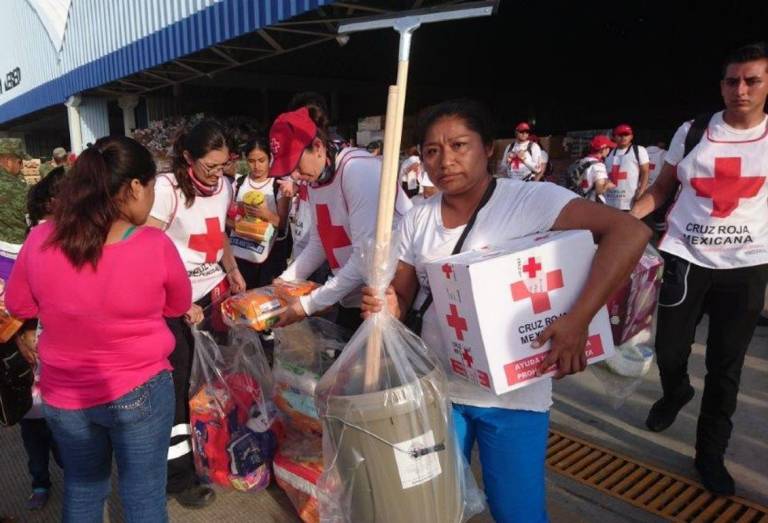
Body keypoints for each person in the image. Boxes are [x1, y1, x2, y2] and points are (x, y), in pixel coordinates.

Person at [361, 99, 649, 522]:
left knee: (518, 513)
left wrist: (577, 321)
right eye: (431, 151)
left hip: (515, 397)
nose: (446, 160)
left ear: (488, 149)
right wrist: (385, 304)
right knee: (431, 509)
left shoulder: (532, 201)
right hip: (436, 392)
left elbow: (629, 231)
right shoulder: (417, 220)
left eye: (459, 145)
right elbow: (402, 299)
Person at [6, 136, 191, 523]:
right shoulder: (154, 245)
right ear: (135, 186)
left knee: (83, 490)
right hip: (139, 389)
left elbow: (20, 306)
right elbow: (176, 305)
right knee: (143, 499)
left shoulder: (40, 238)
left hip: (64, 396)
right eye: (153, 187)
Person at [630, 43, 768, 496]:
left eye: (752, 80)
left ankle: (709, 454)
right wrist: (624, 222)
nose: (741, 90)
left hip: (746, 269)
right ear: (722, 86)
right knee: (670, 351)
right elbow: (663, 188)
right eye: (732, 81)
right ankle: (675, 393)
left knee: (724, 369)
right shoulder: (693, 133)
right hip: (686, 257)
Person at [146, 119, 246, 508]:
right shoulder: (166, 190)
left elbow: (217, 231)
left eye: (223, 166)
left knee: (212, 382)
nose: (217, 174)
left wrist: (232, 267)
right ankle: (179, 474)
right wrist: (176, 299)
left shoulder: (224, 186)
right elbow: (148, 249)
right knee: (180, 385)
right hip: (173, 305)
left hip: (210, 297)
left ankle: (213, 452)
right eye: (210, 166)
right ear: (188, 158)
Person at [269, 106, 412, 331]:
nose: (295, 176)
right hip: (351, 296)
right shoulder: (315, 179)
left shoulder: (358, 170)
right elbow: (320, 242)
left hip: (387, 298)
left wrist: (306, 306)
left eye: (296, 165)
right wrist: (284, 281)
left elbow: (365, 255)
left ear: (318, 147)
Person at [16, 166, 67, 511]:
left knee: (65, 428)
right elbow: (17, 301)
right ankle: (39, 481)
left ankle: (73, 475)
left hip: (62, 356)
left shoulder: (77, 237)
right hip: (36, 352)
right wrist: (24, 332)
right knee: (34, 427)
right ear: (53, 202)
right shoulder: (34, 240)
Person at [230, 137, 292, 288]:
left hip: (270, 259)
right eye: (251, 161)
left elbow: (282, 225)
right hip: (242, 254)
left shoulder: (278, 185)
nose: (256, 166)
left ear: (270, 158)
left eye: (261, 160)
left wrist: (266, 214)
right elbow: (229, 216)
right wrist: (240, 210)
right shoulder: (239, 183)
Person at [603, 123, 650, 211]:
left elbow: (645, 172)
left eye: (626, 134)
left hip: (630, 201)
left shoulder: (638, 150)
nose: (623, 137)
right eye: (620, 135)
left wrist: (641, 191)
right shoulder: (608, 153)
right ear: (614, 137)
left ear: (631, 136)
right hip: (609, 201)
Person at [0, 137, 31, 246]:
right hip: (13, 250)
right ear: (9, 162)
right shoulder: (19, 188)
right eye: (20, 162)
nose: (22, 166)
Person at [568, 135, 617, 202]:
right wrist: (608, 185)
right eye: (608, 148)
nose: (609, 150)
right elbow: (599, 189)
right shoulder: (599, 166)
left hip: (578, 201)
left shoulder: (581, 161)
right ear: (603, 149)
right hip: (592, 204)